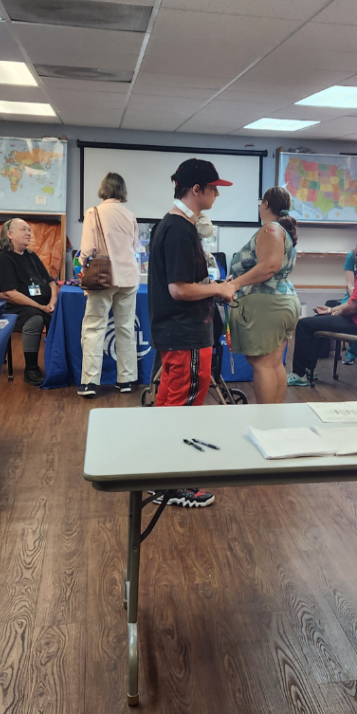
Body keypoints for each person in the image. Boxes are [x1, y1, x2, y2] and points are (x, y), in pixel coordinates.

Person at [147, 159, 236, 508]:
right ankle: (174, 484)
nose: (216, 193)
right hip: (185, 333)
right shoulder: (180, 230)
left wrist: (213, 286)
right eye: (212, 188)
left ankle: (159, 473)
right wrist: (217, 290)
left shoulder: (174, 226)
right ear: (195, 190)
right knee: (184, 405)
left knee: (169, 402)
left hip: (177, 333)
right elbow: (180, 289)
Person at [288, 227, 357, 385]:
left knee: (303, 324)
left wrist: (334, 313)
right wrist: (330, 310)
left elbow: (351, 308)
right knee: (317, 320)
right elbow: (356, 303)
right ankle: (308, 370)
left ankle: (300, 374)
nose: (356, 244)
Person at [226, 187, 300, 404]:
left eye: (261, 203)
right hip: (281, 301)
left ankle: (265, 421)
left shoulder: (270, 229)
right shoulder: (279, 230)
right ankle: (273, 420)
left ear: (266, 204)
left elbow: (270, 266)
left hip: (268, 304)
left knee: (263, 364)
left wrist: (234, 284)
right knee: (274, 363)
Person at [77, 172, 140, 398]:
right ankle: (126, 380)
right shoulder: (130, 215)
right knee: (125, 328)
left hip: (103, 277)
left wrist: (82, 268)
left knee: (94, 328)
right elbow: (134, 246)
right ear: (122, 190)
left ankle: (90, 383)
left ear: (103, 188)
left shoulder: (93, 212)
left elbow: (87, 249)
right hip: (129, 277)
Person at [0, 218, 58, 385]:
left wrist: (52, 303)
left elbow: (51, 282)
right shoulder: (1, 258)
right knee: (35, 318)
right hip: (3, 307)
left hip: (36, 304)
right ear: (9, 234)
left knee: (58, 315)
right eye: (23, 229)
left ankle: (57, 366)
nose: (28, 233)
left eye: (29, 230)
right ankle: (31, 369)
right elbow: (6, 294)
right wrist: (40, 306)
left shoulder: (31, 256)